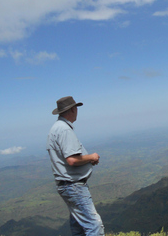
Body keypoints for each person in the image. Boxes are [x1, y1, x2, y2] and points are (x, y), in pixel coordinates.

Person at [46, 96, 105, 236]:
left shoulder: (56, 128)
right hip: (73, 186)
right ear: (72, 109)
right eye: (76, 108)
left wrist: (87, 160)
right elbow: (72, 160)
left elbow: (69, 158)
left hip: (67, 186)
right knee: (94, 225)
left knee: (79, 227)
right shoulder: (64, 130)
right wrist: (92, 157)